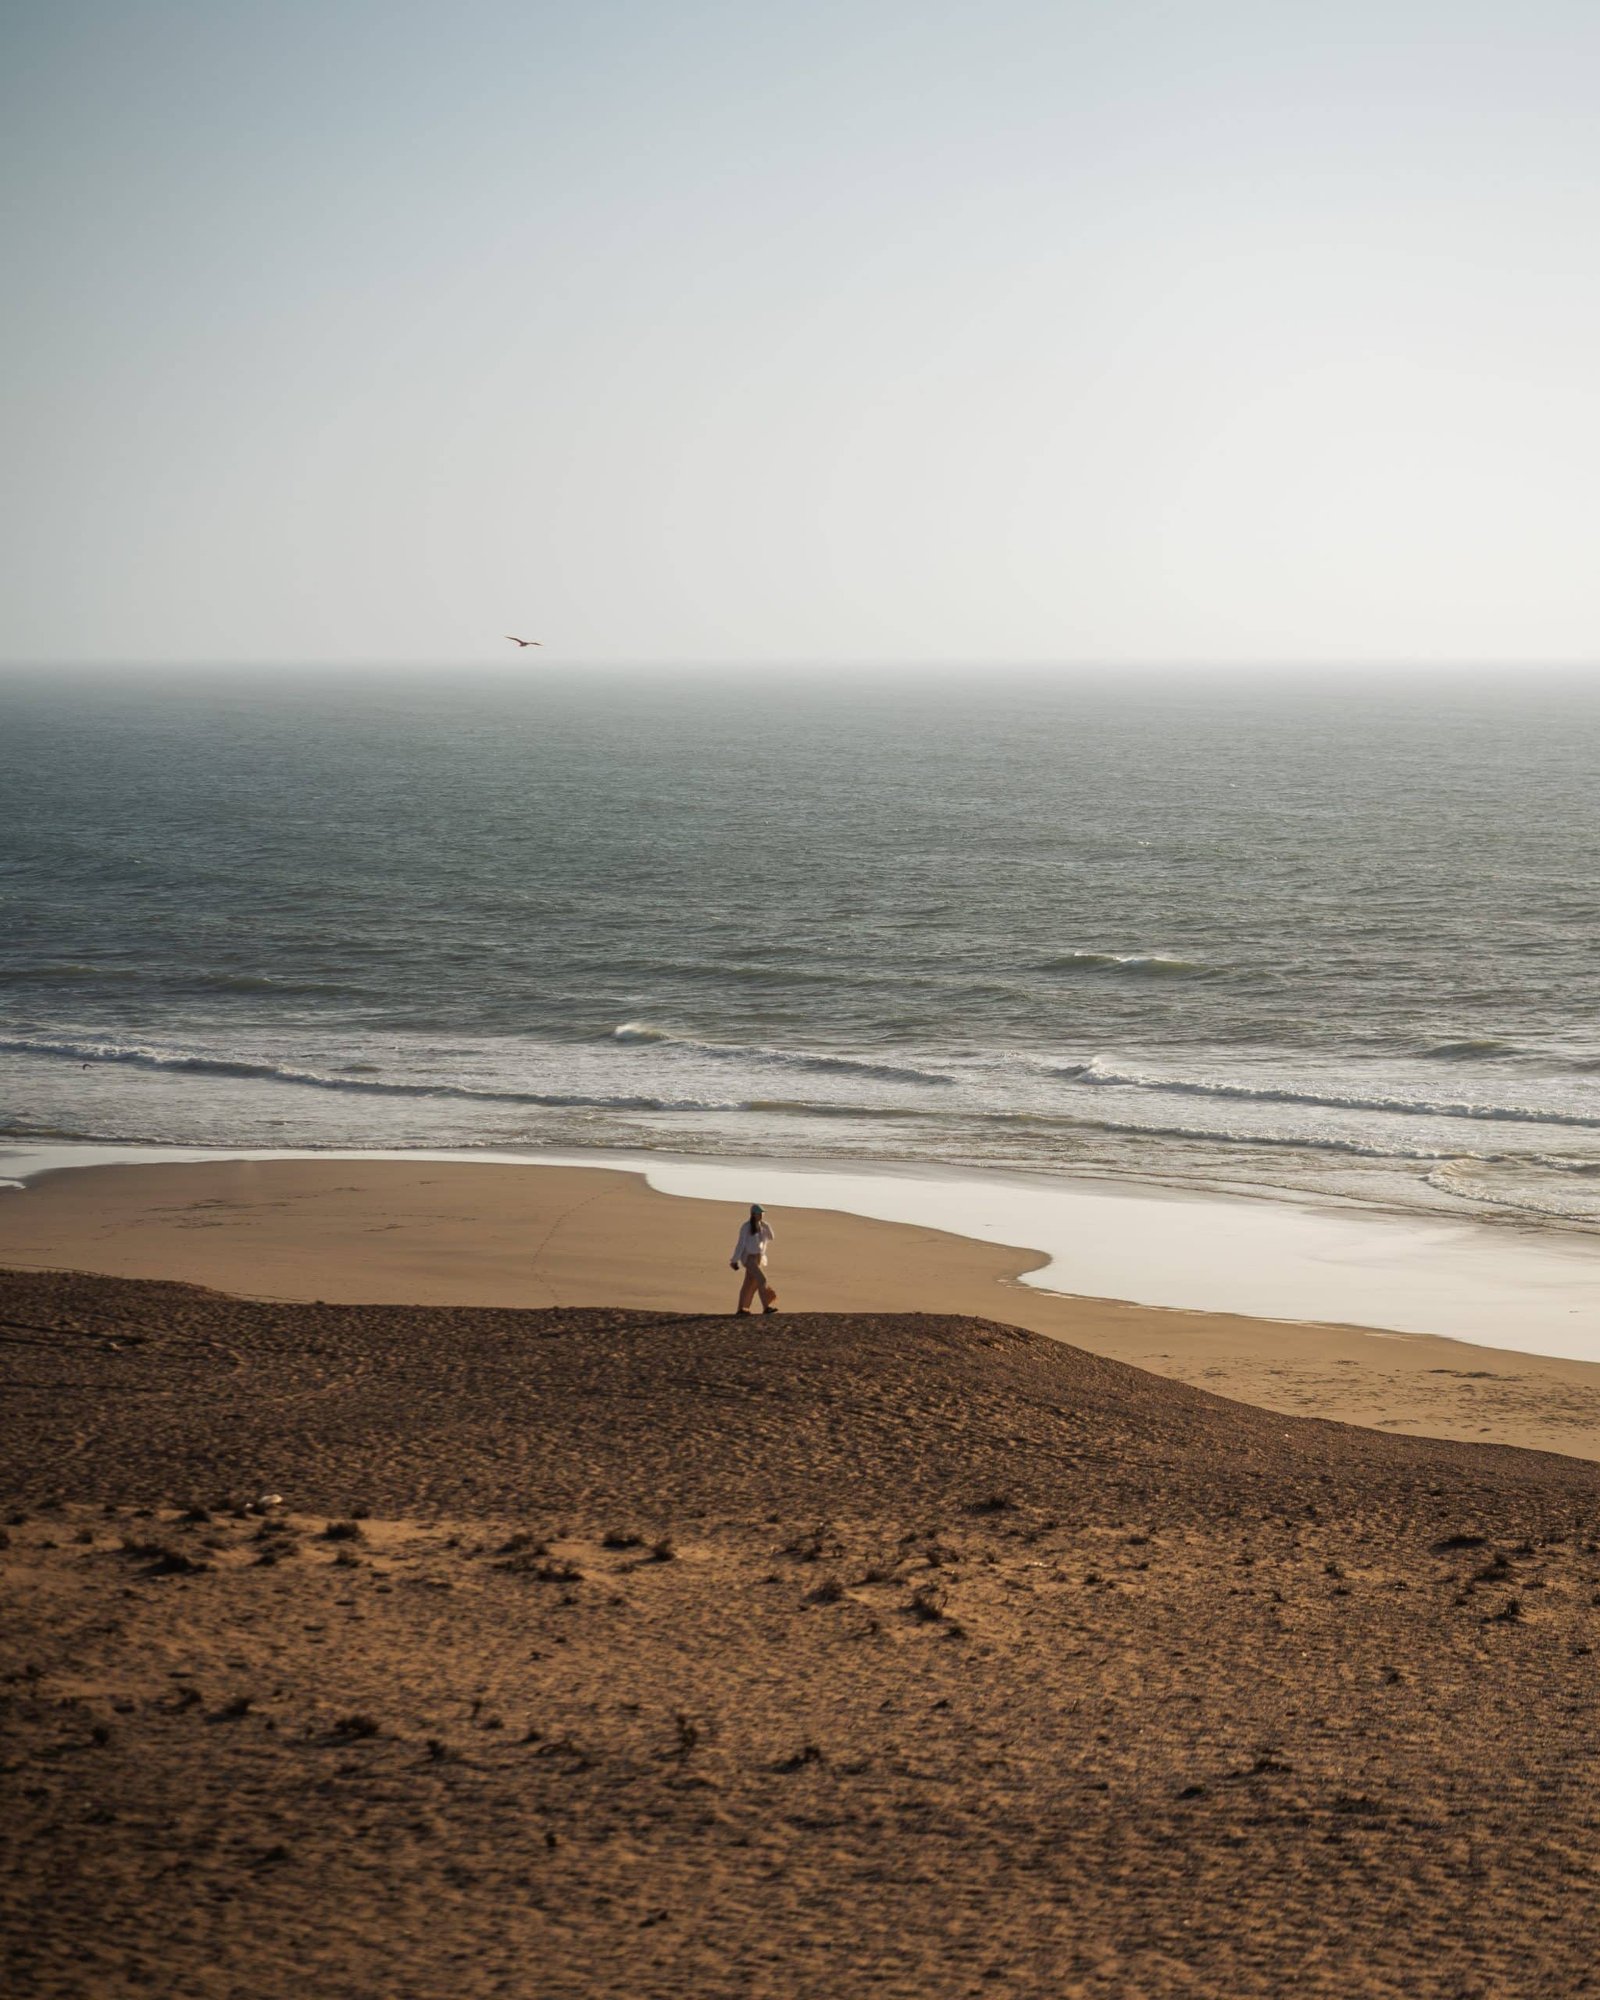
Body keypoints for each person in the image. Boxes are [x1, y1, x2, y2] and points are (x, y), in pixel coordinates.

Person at [730, 1203, 778, 1315]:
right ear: (753, 1214)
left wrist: (766, 1226)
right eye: (759, 1213)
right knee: (762, 1279)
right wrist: (734, 1260)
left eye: (762, 1213)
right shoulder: (746, 1227)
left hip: (758, 1258)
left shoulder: (762, 1226)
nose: (761, 1215)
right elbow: (740, 1244)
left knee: (749, 1283)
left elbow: (771, 1237)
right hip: (749, 1258)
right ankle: (766, 1307)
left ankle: (742, 1309)